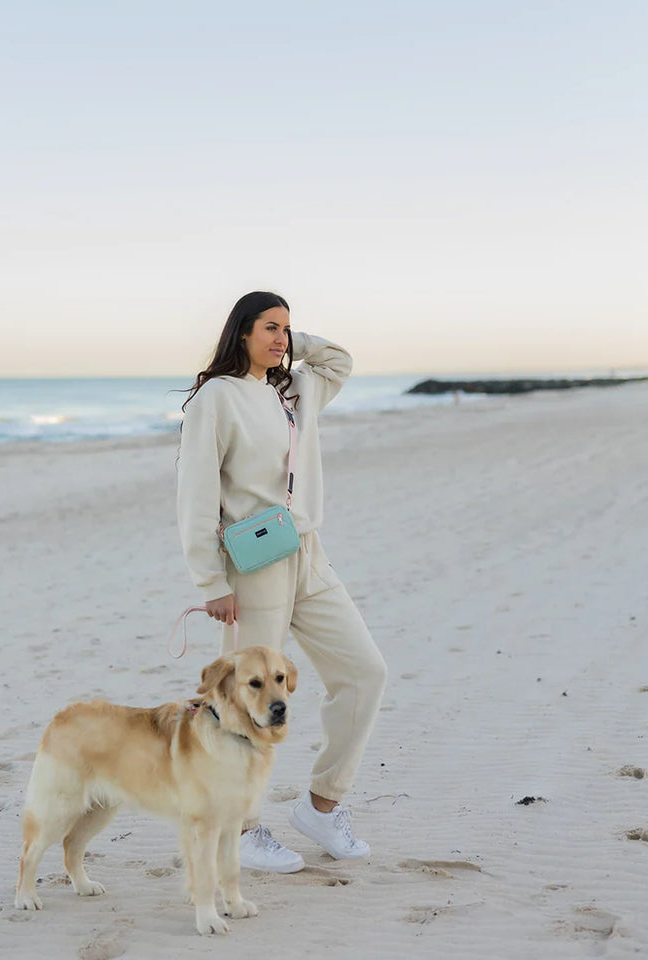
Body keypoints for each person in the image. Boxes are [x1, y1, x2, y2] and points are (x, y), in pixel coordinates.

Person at [177, 291, 387, 873]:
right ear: (240, 331)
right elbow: (194, 494)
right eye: (269, 328)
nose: (281, 339)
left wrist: (296, 343)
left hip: (308, 554)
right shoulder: (216, 399)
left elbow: (337, 360)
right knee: (242, 702)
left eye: (287, 330)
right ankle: (240, 828)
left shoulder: (293, 390)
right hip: (253, 562)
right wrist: (208, 580)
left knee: (365, 673)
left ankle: (322, 806)